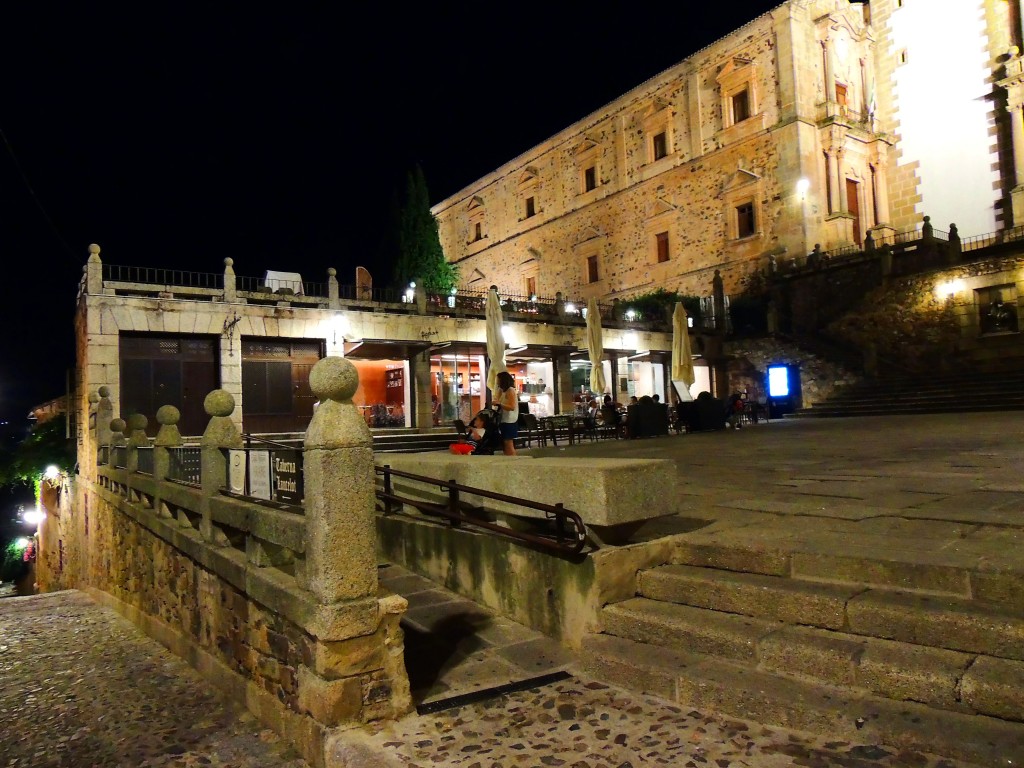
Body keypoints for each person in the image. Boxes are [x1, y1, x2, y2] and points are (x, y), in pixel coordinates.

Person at [493, 371, 519, 455]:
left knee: (508, 442)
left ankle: (513, 458)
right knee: (505, 442)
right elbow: (496, 398)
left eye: (498, 380)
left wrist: (499, 404)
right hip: (504, 419)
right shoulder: (502, 391)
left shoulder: (510, 390)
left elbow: (512, 407)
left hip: (509, 420)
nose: (497, 382)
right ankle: (508, 456)